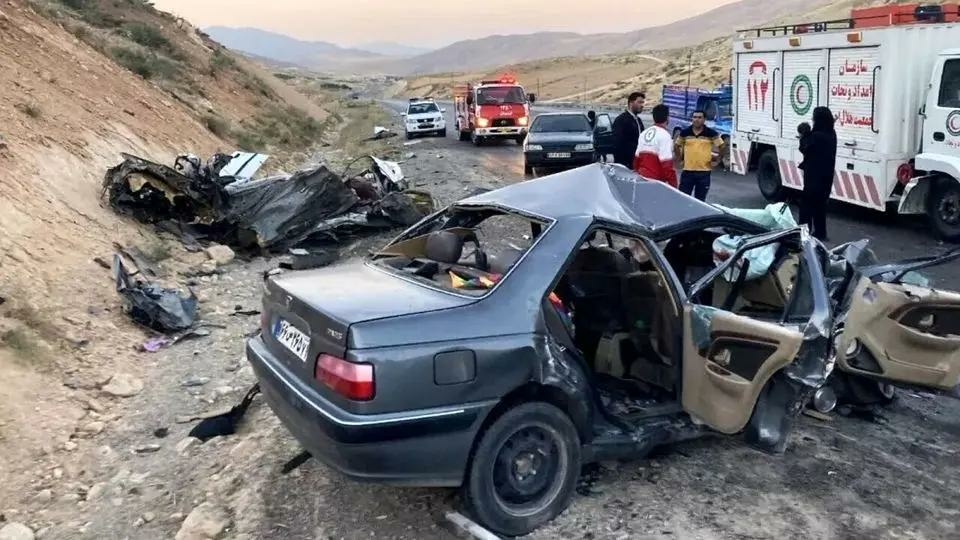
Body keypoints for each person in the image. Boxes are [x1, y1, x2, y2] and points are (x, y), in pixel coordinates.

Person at [798, 106, 838, 241]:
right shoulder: (831, 134)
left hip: (814, 178)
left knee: (806, 208)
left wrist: (804, 134)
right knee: (820, 206)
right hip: (826, 177)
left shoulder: (816, 136)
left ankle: (803, 235)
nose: (812, 120)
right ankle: (821, 233)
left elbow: (804, 148)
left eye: (814, 118)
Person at [675, 110, 725, 201]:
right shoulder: (685, 132)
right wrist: (679, 160)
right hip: (687, 172)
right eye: (694, 117)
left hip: (704, 173)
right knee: (683, 199)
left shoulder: (711, 133)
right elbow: (676, 145)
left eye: (699, 117)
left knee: (700, 200)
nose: (696, 120)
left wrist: (718, 160)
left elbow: (722, 146)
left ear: (704, 119)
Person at [634, 104, 678, 188]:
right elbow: (667, 165)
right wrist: (674, 186)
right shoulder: (665, 135)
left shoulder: (644, 133)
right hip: (656, 182)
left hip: (641, 179)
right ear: (667, 118)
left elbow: (636, 159)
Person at [611, 92, 646, 168]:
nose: (642, 105)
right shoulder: (621, 120)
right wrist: (623, 163)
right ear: (631, 103)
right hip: (625, 164)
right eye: (639, 102)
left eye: (642, 102)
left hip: (637, 163)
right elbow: (617, 144)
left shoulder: (638, 120)